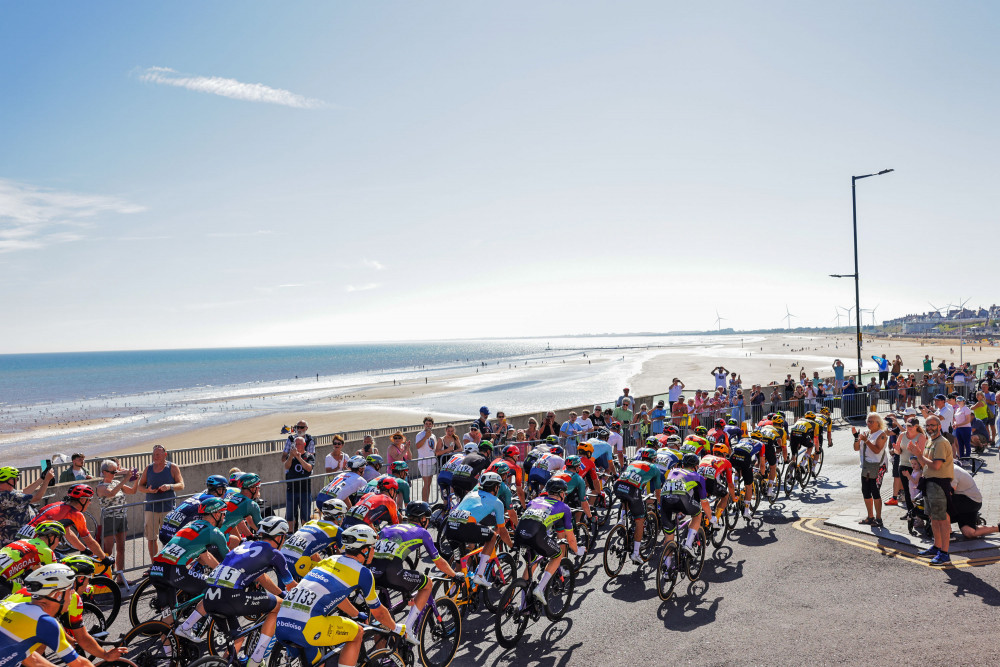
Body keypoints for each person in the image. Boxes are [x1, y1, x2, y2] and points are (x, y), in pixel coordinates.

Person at [178, 516, 296, 667]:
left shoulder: (246, 545)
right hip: (231, 598)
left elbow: (262, 578)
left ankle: (223, 663)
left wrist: (280, 593)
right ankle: (256, 659)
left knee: (238, 638)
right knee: (280, 606)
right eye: (284, 537)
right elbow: (292, 585)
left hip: (209, 597)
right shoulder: (275, 554)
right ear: (279, 536)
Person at [273, 525, 397, 667]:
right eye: (373, 547)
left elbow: (334, 594)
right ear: (364, 550)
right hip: (307, 627)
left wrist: (356, 613)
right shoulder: (363, 572)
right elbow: (379, 612)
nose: (374, 551)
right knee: (357, 633)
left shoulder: (330, 560)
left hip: (282, 623)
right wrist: (396, 628)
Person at [370, 502, 462, 644]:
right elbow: (439, 562)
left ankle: (380, 657)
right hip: (392, 574)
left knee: (383, 625)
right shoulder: (423, 532)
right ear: (423, 519)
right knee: (427, 584)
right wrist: (455, 575)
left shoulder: (387, 528)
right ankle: (408, 629)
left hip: (373, 573)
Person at [0, 563, 94, 667]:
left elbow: (31, 658)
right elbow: (81, 664)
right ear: (58, 595)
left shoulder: (12, 607)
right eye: (70, 588)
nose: (73, 592)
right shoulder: (44, 622)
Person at [149, 496, 229, 613]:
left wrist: (219, 570)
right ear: (216, 515)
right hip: (174, 571)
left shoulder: (191, 525)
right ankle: (193, 625)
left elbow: (205, 555)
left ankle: (162, 630)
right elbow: (230, 559)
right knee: (215, 588)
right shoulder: (214, 532)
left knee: (171, 614)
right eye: (223, 514)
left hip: (156, 569)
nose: (224, 517)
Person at [511, 477, 581, 605]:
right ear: (561, 493)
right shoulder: (564, 507)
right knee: (557, 554)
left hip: (519, 533)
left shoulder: (535, 500)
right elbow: (570, 538)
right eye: (564, 492)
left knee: (530, 564)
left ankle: (522, 606)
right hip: (536, 535)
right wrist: (577, 551)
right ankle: (540, 588)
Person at [444, 472, 512, 584]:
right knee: (492, 536)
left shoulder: (471, 493)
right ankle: (480, 574)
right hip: (464, 528)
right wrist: (512, 546)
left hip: (450, 527)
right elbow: (503, 531)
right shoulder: (497, 502)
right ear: (496, 487)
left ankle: (451, 597)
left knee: (459, 565)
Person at [907, 415, 954, 565]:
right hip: (929, 482)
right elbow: (924, 464)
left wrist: (919, 454)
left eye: (933, 425)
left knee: (941, 519)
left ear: (939, 426)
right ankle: (936, 547)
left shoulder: (941, 443)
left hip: (938, 483)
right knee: (933, 518)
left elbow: (936, 466)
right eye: (927, 425)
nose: (930, 428)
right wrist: (917, 453)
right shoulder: (930, 441)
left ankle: (944, 553)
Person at [25, 486, 111, 564]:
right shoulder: (75, 514)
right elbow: (90, 541)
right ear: (82, 500)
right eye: (89, 500)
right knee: (69, 566)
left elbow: (68, 533)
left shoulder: (57, 505)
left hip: (22, 540)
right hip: (37, 546)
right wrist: (104, 558)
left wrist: (83, 549)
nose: (90, 503)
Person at [95, 459, 139, 591]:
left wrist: (136, 480)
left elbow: (132, 492)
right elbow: (111, 493)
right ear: (104, 472)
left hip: (121, 518)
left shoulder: (116, 482)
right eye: (112, 472)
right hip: (109, 518)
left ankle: (120, 577)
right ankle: (106, 578)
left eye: (115, 471)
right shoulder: (101, 486)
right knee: (108, 550)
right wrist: (125, 478)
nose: (115, 474)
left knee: (121, 548)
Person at [614, 448, 662, 563]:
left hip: (618, 485)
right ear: (654, 459)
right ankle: (635, 553)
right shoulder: (655, 468)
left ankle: (622, 521)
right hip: (632, 490)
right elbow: (658, 492)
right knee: (639, 520)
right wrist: (660, 504)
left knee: (625, 500)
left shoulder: (633, 462)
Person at [659, 454, 711, 559]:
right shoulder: (698, 476)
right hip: (681, 500)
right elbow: (704, 502)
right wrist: (711, 518)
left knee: (669, 538)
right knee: (698, 514)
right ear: (696, 466)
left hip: (664, 500)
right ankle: (688, 544)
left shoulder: (674, 471)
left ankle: (666, 569)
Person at [280, 499, 347, 580]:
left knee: (282, 591)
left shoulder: (311, 522)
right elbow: (345, 558)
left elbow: (312, 552)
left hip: (281, 557)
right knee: (326, 580)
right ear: (339, 517)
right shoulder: (337, 530)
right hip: (298, 562)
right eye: (343, 516)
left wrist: (320, 564)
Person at [138, 444, 185, 560]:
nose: (155, 456)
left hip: (168, 508)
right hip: (151, 508)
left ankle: (167, 563)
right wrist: (147, 490)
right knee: (151, 538)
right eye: (154, 454)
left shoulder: (172, 467)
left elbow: (181, 485)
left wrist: (169, 486)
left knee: (168, 538)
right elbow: (140, 486)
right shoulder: (148, 468)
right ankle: (154, 564)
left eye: (158, 454)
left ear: (165, 455)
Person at [0, 522, 65, 596]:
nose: (59, 542)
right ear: (52, 537)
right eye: (60, 538)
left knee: (21, 588)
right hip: (1, 581)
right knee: (28, 594)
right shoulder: (46, 551)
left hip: (3, 580)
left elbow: (36, 567)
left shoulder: (24, 541)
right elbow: (57, 576)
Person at [0, 466, 55, 547]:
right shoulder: (6, 496)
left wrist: (41, 479)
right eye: (16, 479)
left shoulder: (7, 493)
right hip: (16, 539)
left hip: (8, 537)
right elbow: (37, 497)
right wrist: (46, 481)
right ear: (10, 480)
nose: (17, 481)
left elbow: (23, 492)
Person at [852, 415, 888, 527]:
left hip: (878, 467)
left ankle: (879, 518)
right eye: (868, 421)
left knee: (875, 492)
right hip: (866, 467)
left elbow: (877, 450)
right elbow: (856, 448)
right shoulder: (866, 433)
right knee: (866, 492)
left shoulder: (882, 435)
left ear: (878, 423)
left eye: (872, 422)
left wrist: (866, 440)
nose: (869, 424)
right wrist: (856, 437)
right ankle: (870, 517)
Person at [950, 464, 1000, 539]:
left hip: (970, 501)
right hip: (960, 500)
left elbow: (948, 493)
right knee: (969, 532)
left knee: (941, 502)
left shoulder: (952, 470)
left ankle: (998, 528)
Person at [284, 436, 315, 532]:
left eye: (299, 444)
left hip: (304, 490)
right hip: (291, 490)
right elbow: (286, 466)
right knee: (290, 516)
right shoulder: (291, 456)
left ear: (304, 445)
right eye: (295, 444)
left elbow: (309, 468)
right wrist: (291, 457)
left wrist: (299, 457)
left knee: (305, 516)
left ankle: (304, 534)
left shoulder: (309, 456)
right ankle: (290, 534)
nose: (297, 446)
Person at [414, 417, 437, 502]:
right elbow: (417, 446)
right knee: (426, 484)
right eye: (426, 424)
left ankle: (426, 502)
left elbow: (433, 448)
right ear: (424, 425)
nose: (428, 426)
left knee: (428, 484)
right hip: (424, 462)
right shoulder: (420, 434)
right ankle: (424, 502)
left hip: (432, 461)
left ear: (432, 425)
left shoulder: (433, 436)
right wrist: (425, 437)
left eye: (430, 424)